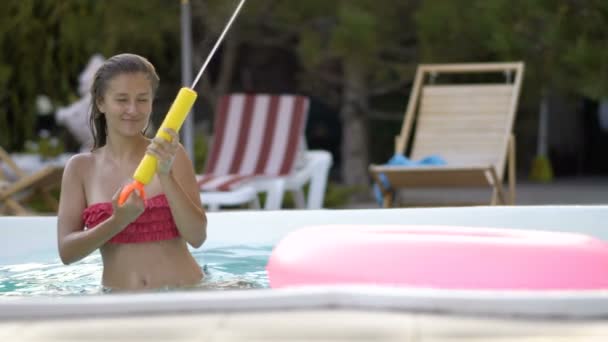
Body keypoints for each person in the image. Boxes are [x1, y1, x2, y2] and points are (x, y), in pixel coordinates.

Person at [56, 53, 207, 291]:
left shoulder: (172, 154)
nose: (133, 109)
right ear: (100, 102)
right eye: (122, 99)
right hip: (118, 304)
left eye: (142, 99)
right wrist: (117, 221)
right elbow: (67, 252)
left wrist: (165, 175)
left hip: (183, 294)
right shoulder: (81, 168)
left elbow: (197, 237)